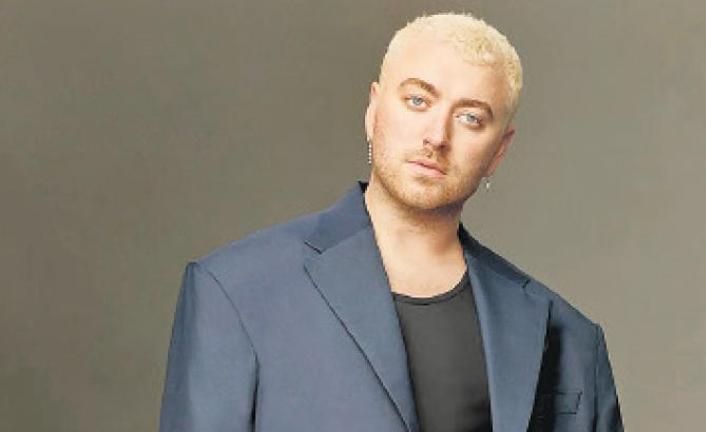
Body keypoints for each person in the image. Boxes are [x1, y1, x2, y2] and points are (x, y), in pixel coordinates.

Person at [159, 12, 624, 432]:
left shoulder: (569, 336)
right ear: (374, 110)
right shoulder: (237, 291)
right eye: (418, 101)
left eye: (469, 118)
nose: (436, 136)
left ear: (498, 151)